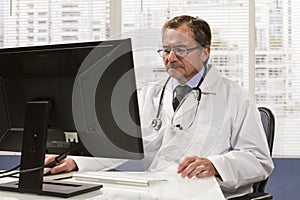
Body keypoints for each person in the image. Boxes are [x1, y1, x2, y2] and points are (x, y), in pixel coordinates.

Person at [45, 15, 274, 199]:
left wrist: (215, 164)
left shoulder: (236, 98)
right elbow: (123, 145)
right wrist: (77, 161)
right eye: (166, 50)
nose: (171, 57)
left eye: (181, 50)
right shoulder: (151, 94)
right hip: (156, 188)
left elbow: (259, 161)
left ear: (205, 52)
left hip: (209, 192)